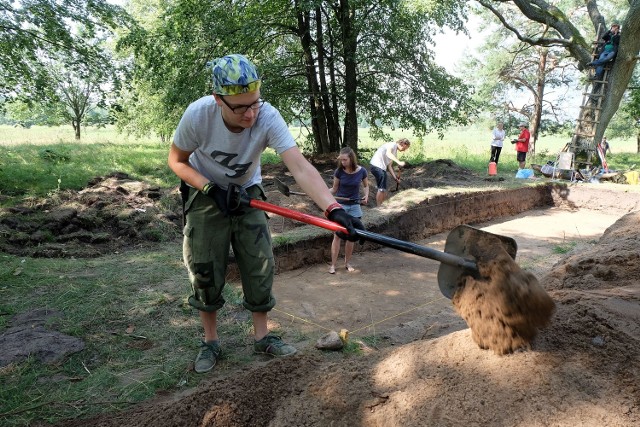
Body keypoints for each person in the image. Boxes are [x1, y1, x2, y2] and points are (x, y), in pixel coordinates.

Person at [168, 54, 364, 373]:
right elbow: (177, 161)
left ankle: (263, 338)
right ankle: (211, 341)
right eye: (241, 107)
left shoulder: (267, 116)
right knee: (204, 265)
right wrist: (210, 189)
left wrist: (334, 209)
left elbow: (299, 166)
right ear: (219, 100)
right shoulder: (198, 115)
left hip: (248, 192)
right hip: (206, 192)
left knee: (260, 262)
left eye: (255, 103)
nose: (250, 114)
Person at [328, 147, 369, 274]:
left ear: (351, 158)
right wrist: (321, 194)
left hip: (355, 206)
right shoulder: (339, 171)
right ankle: (333, 265)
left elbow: (366, 186)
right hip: (341, 208)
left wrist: (366, 196)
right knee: (337, 235)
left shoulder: (361, 171)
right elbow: (334, 189)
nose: (343, 162)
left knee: (352, 236)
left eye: (345, 159)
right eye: (341, 160)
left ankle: (347, 263)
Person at [369, 138, 411, 206]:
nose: (404, 150)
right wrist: (399, 162)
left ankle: (382, 205)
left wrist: (395, 178)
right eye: (405, 148)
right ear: (402, 144)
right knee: (381, 188)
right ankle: (379, 207)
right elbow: (388, 153)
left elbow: (389, 166)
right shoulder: (392, 145)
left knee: (383, 187)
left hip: (380, 168)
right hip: (376, 166)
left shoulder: (394, 151)